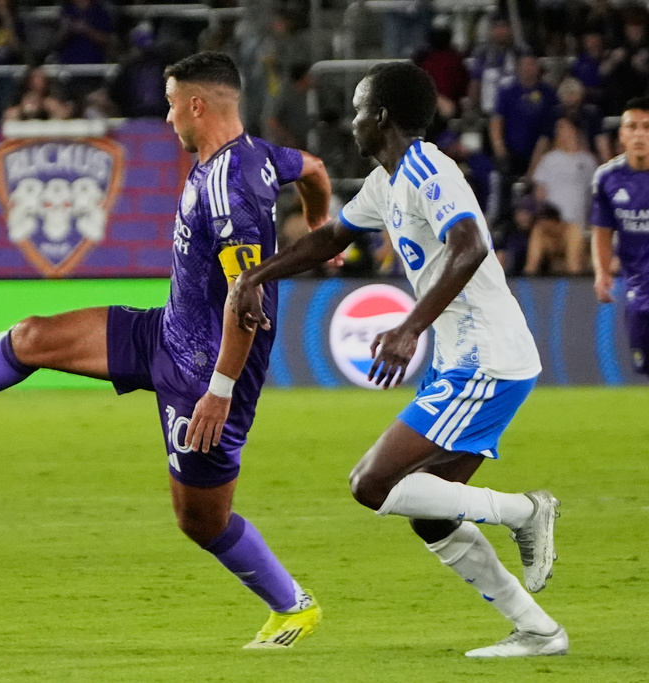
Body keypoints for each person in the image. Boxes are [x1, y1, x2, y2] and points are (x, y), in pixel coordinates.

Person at [0, 52, 333, 649]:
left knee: (201, 520)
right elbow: (314, 168)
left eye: (171, 105)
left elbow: (247, 302)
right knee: (32, 336)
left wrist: (220, 392)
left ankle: (293, 607)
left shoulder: (230, 186)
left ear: (197, 105)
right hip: (166, 334)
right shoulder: (258, 157)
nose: (167, 117)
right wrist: (321, 227)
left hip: (206, 376)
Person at [231, 62, 567, 658]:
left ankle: (525, 511)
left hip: (485, 360)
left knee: (372, 483)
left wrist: (410, 327)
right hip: (467, 361)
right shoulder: (386, 183)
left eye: (359, 110)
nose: (352, 122)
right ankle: (539, 631)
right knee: (429, 510)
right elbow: (331, 238)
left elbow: (471, 246)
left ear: (381, 117)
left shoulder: (428, 170)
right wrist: (254, 276)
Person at [590, 96, 649, 377]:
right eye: (632, 126)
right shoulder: (607, 178)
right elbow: (602, 230)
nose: (640, 134)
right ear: (622, 135)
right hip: (637, 287)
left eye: (647, 127)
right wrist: (602, 271)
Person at [522, 203, 586, 275]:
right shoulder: (539, 230)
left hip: (581, 270)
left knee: (572, 264)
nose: (541, 225)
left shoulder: (572, 230)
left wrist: (574, 280)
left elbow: (573, 262)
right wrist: (527, 279)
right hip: (552, 271)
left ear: (553, 221)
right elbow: (532, 262)